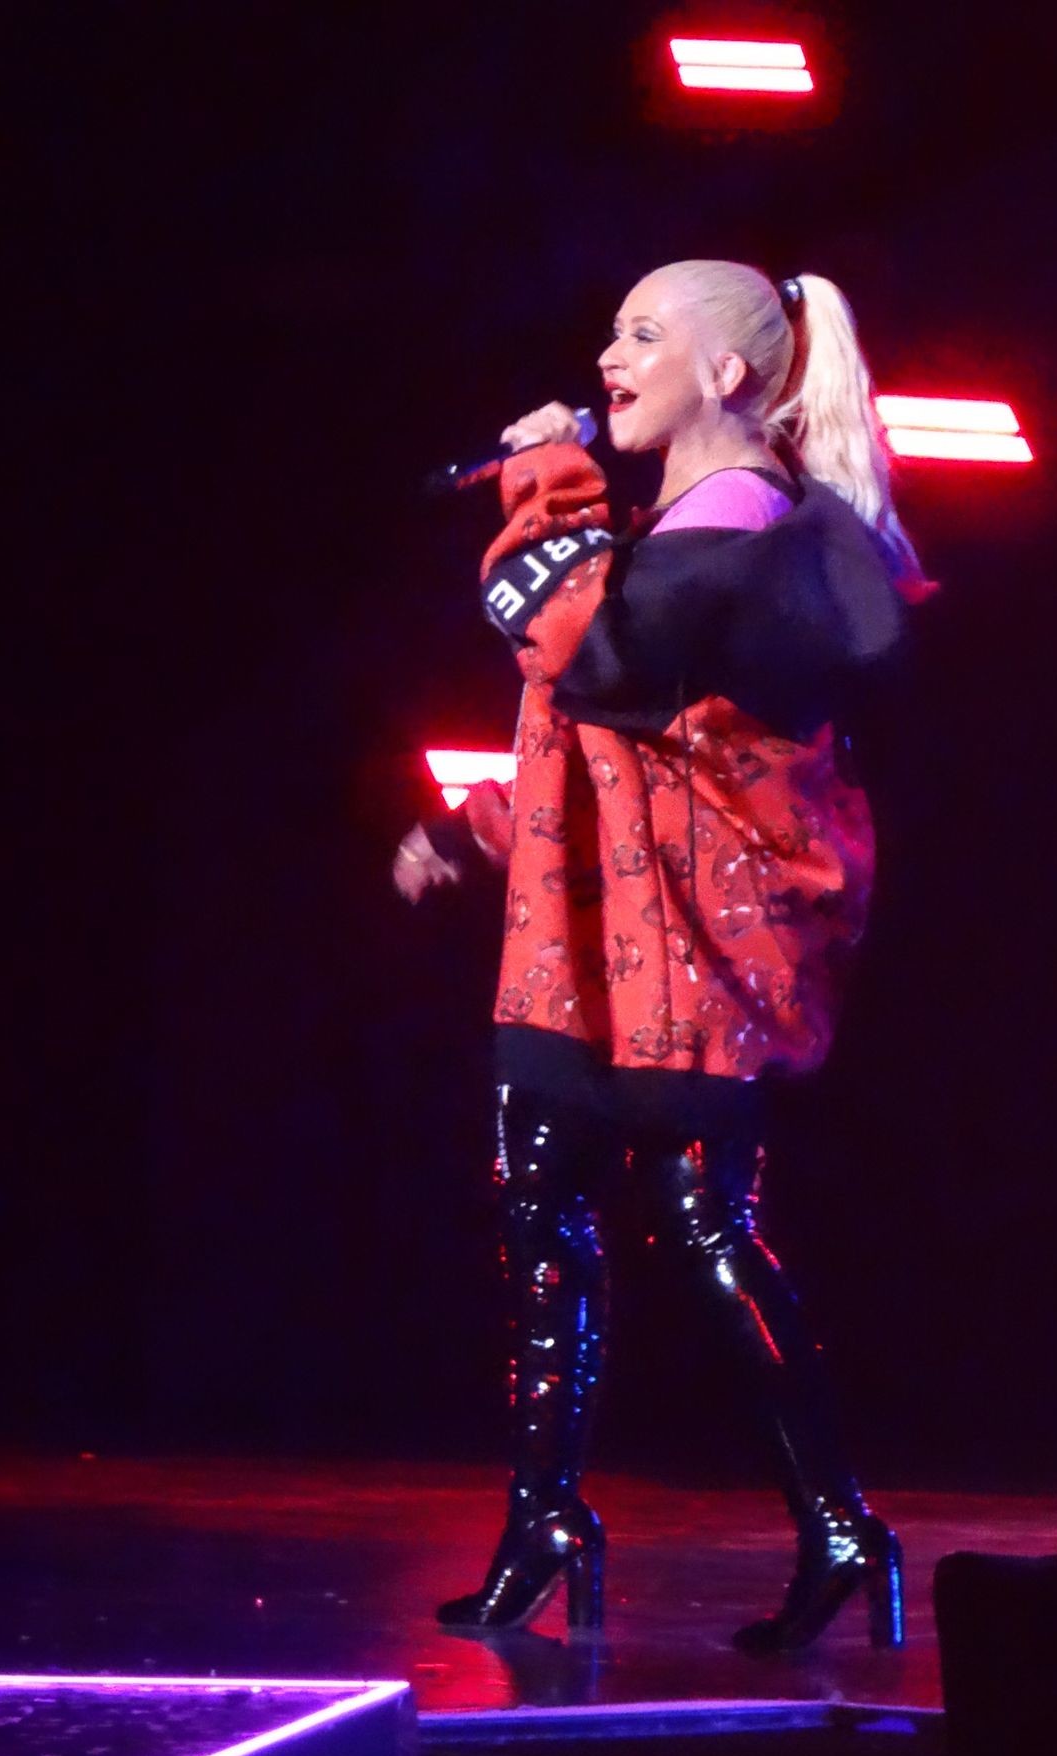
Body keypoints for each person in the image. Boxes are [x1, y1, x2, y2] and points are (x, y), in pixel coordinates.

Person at [393, 261, 936, 1655]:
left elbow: (579, 644)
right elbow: (611, 756)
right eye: (611, 330)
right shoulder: (666, 531)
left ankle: (837, 1525)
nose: (609, 356)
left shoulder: (739, 522)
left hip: (690, 955)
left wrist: (548, 477)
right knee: (543, 1213)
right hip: (592, 947)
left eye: (645, 334)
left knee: (700, 1225)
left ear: (728, 374)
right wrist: (475, 830)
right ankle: (548, 1520)